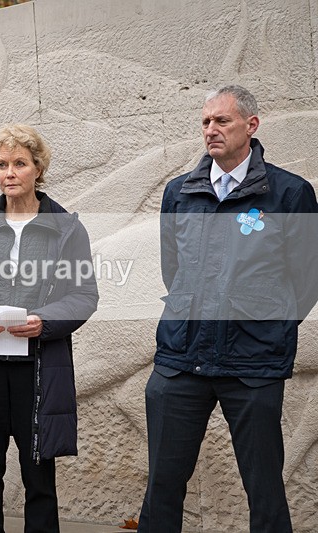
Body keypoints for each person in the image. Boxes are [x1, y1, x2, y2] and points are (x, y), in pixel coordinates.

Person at [138, 85, 318, 532]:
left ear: (251, 126)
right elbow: (173, 270)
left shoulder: (290, 194)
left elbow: (306, 280)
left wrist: (262, 327)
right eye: (205, 122)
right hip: (180, 363)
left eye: (222, 121)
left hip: (253, 365)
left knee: (264, 489)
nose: (211, 130)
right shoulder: (179, 192)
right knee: (162, 485)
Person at [0, 124, 99, 532]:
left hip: (39, 368)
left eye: (19, 164)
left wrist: (45, 321)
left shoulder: (67, 227)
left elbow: (83, 295)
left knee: (39, 478)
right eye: (1, 165)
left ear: (37, 168)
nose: (9, 172)